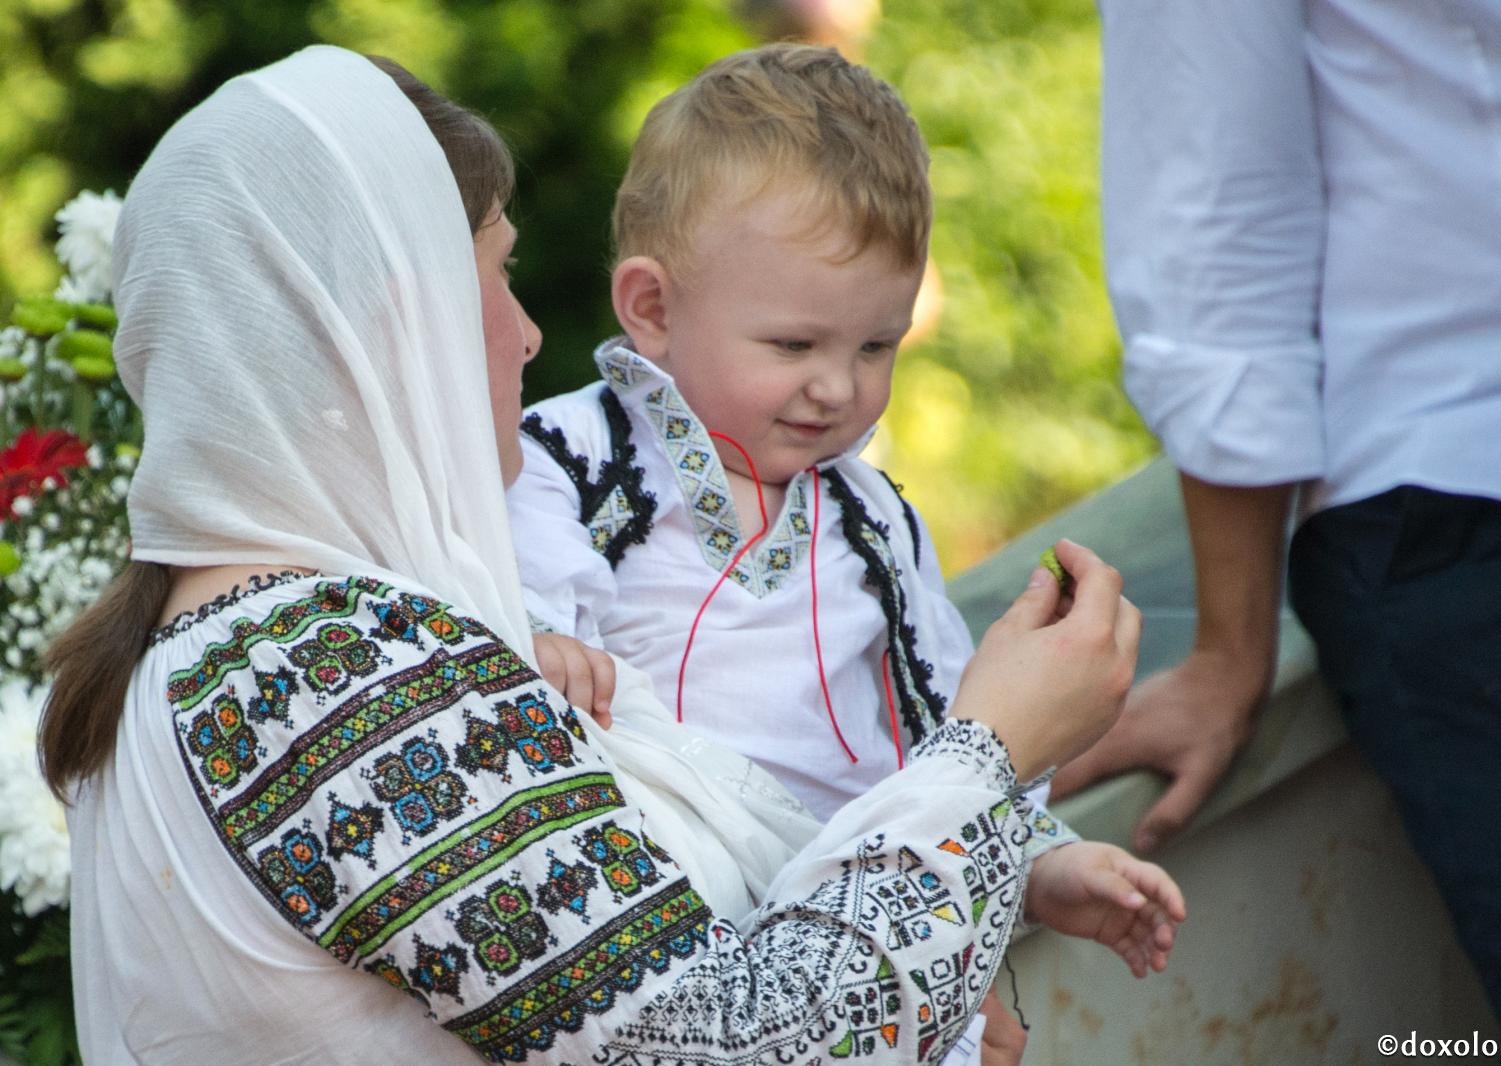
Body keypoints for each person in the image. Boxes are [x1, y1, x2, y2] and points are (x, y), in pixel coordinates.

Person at [38, 45, 1145, 1064]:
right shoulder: (329, 677)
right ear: (388, 329)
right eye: (498, 278)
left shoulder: (225, 657)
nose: (527, 334)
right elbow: (729, 1048)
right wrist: (991, 753)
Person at [504, 41, 1185, 1004]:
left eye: (878, 345)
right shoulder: (568, 461)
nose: (838, 387)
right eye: (793, 344)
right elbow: (515, 612)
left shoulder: (873, 522)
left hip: (846, 941)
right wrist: (540, 641)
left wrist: (1037, 862)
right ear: (651, 306)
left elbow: (947, 727)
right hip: (658, 941)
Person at [1062, 0, 1501, 1039]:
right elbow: (1218, 207)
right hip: (1487, 490)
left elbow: (1208, 195)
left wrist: (1230, 644)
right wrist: (1230, 647)